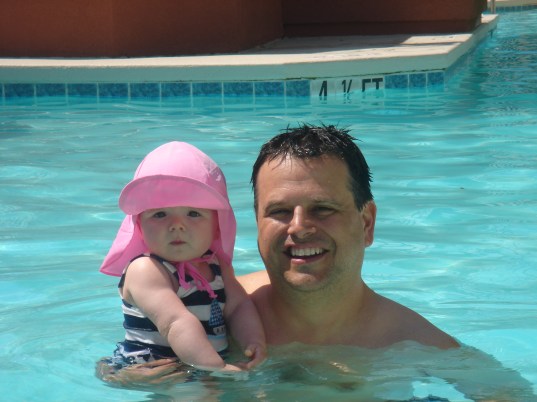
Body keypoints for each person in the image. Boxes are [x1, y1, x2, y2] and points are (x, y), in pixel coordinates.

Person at [239, 124, 459, 348]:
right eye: (279, 211)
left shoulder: (422, 348)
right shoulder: (220, 314)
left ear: (366, 223)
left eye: (323, 209)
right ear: (257, 221)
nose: (299, 227)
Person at [97, 141, 266, 379]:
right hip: (153, 371)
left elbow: (238, 307)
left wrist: (253, 341)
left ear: (217, 225)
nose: (177, 225)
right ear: (140, 225)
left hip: (200, 366)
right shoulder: (146, 269)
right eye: (160, 214)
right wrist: (216, 368)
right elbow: (176, 322)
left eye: (193, 213)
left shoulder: (217, 266)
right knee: (199, 393)